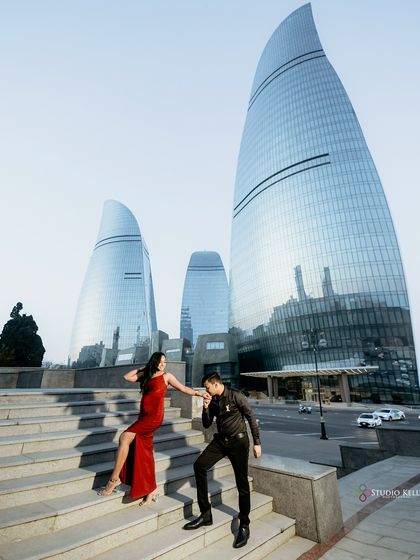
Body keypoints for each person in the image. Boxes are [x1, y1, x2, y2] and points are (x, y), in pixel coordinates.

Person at [98, 352, 210, 506]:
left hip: (154, 418)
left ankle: (114, 479)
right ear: (155, 362)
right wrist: (143, 368)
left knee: (124, 437)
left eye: (165, 361)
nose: (163, 364)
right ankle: (151, 490)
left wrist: (198, 393)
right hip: (143, 416)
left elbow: (183, 388)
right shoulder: (146, 376)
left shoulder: (167, 376)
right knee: (144, 453)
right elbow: (127, 377)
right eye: (161, 361)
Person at [183, 371, 261, 548]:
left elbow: (250, 416)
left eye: (207, 387)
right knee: (199, 466)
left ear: (216, 384)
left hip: (239, 442)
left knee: (242, 484)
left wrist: (257, 442)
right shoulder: (212, 400)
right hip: (220, 442)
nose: (206, 390)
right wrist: (205, 407)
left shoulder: (235, 395)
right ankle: (206, 514)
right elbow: (206, 423)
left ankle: (244, 524)